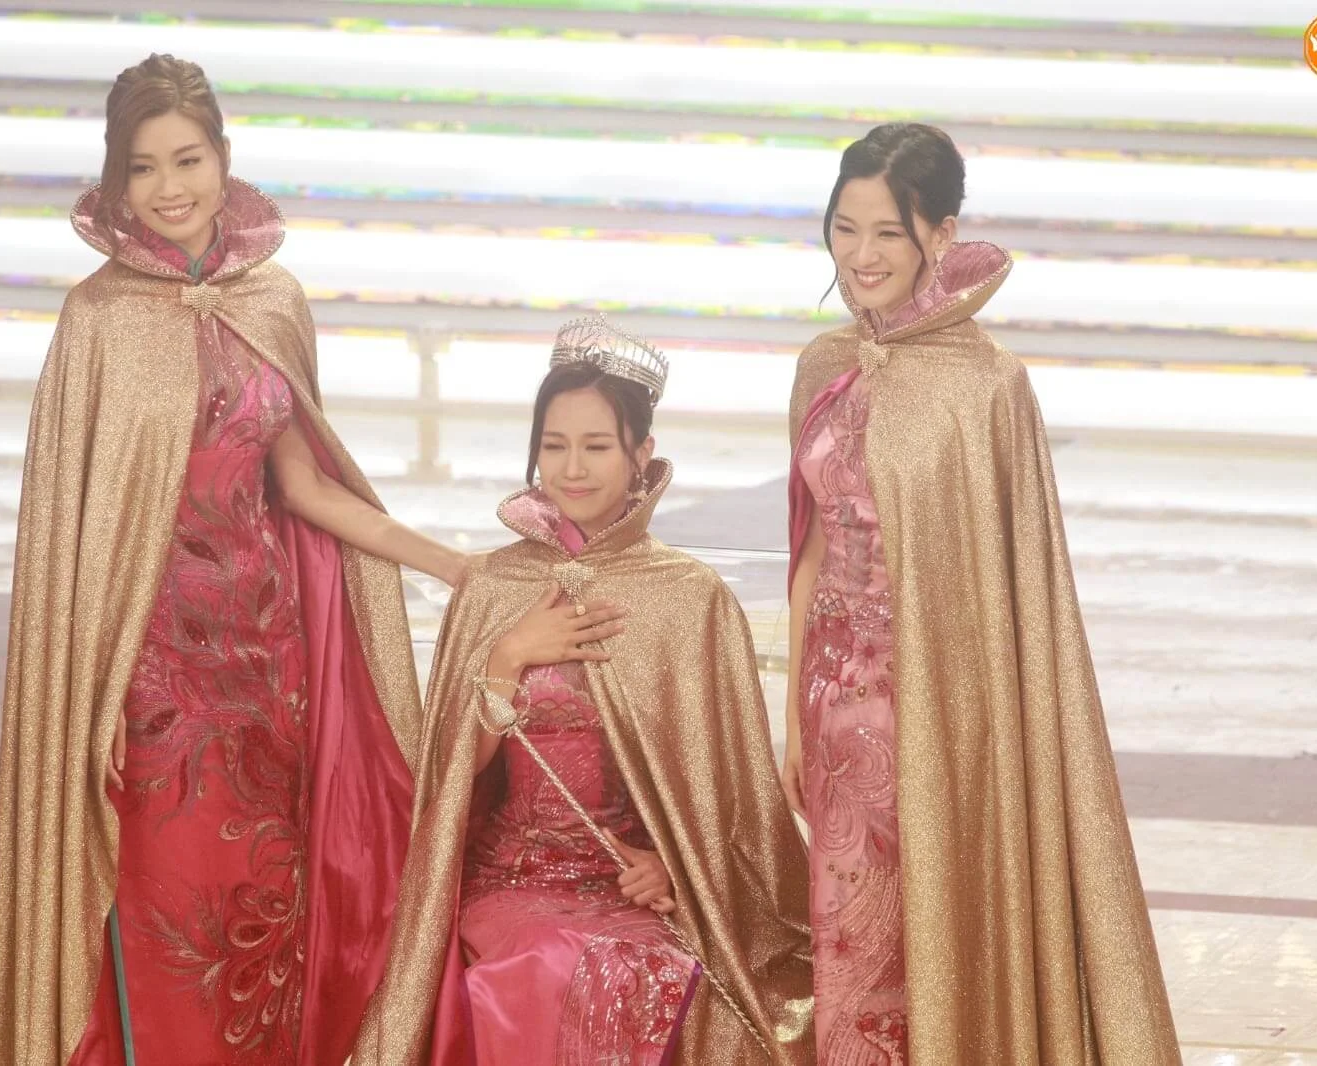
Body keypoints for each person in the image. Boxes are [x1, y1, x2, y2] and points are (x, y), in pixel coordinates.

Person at [0, 54, 463, 1066]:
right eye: (144, 166)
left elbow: (308, 487)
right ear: (116, 180)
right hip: (151, 685)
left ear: (224, 160)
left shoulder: (272, 299)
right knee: (168, 924)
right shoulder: (97, 319)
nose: (170, 187)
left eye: (187, 159)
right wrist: (97, 692)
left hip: (268, 676)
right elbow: (77, 538)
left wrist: (454, 565)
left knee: (261, 921)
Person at [784, 121, 1181, 1064]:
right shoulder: (821, 366)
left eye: (889, 231)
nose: (862, 254)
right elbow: (810, 548)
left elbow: (1012, 589)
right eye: (845, 227)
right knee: (848, 942)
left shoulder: (989, 386)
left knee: (943, 930)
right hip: (836, 709)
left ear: (941, 233)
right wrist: (792, 711)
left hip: (948, 713)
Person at [351, 315, 814, 1065]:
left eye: (597, 446)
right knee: (546, 964)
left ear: (641, 455)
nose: (572, 468)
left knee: (666, 976)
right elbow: (448, 775)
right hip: (511, 879)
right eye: (554, 445)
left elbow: (733, 799)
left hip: (634, 887)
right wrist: (508, 656)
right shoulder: (494, 586)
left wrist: (673, 865)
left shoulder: (690, 598)